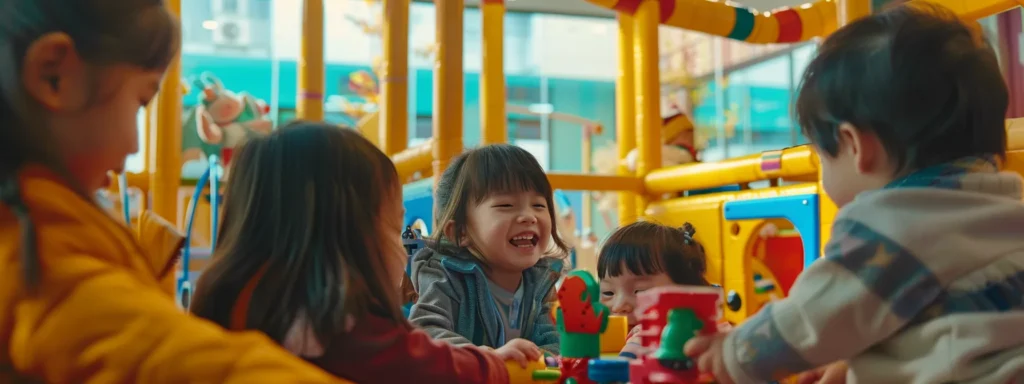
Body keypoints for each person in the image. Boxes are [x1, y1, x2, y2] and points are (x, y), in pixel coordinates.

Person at [0, 1, 341, 382]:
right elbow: (176, 360)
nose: (133, 145)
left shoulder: (49, 228)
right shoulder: (36, 252)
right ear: (54, 76)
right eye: (140, 102)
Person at [684, 3, 1024, 384]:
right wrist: (854, 365)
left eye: (823, 157)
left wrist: (729, 355)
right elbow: (945, 322)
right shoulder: (1004, 207)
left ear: (855, 146)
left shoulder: (895, 225)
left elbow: (813, 315)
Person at [190, 122, 512, 383]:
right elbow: (422, 368)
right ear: (348, 232)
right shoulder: (333, 319)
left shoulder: (229, 299)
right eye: (396, 226)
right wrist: (494, 366)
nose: (403, 247)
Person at [409, 144, 568, 356]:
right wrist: (485, 359)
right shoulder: (443, 276)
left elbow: (554, 342)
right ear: (460, 232)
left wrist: (539, 359)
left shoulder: (539, 282)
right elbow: (425, 331)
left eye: (538, 205)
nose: (529, 216)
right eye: (506, 206)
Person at [597, 221, 721, 359]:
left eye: (640, 291)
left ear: (686, 291)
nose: (619, 306)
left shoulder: (648, 333)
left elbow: (623, 369)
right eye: (608, 292)